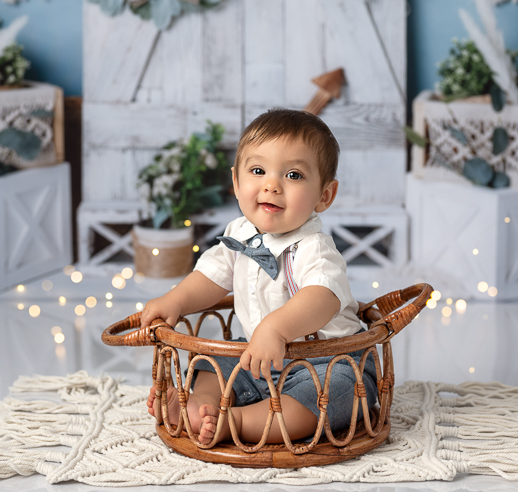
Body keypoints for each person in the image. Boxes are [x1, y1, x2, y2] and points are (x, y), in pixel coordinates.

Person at [142, 108, 377, 445]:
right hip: (260, 359)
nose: (272, 185)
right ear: (236, 182)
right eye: (258, 170)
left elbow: (322, 297)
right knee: (218, 357)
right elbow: (210, 275)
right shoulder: (239, 233)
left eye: (293, 175)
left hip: (327, 360)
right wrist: (174, 300)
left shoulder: (314, 248)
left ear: (324, 195)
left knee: (341, 391)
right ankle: (204, 404)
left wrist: (276, 329)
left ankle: (236, 421)